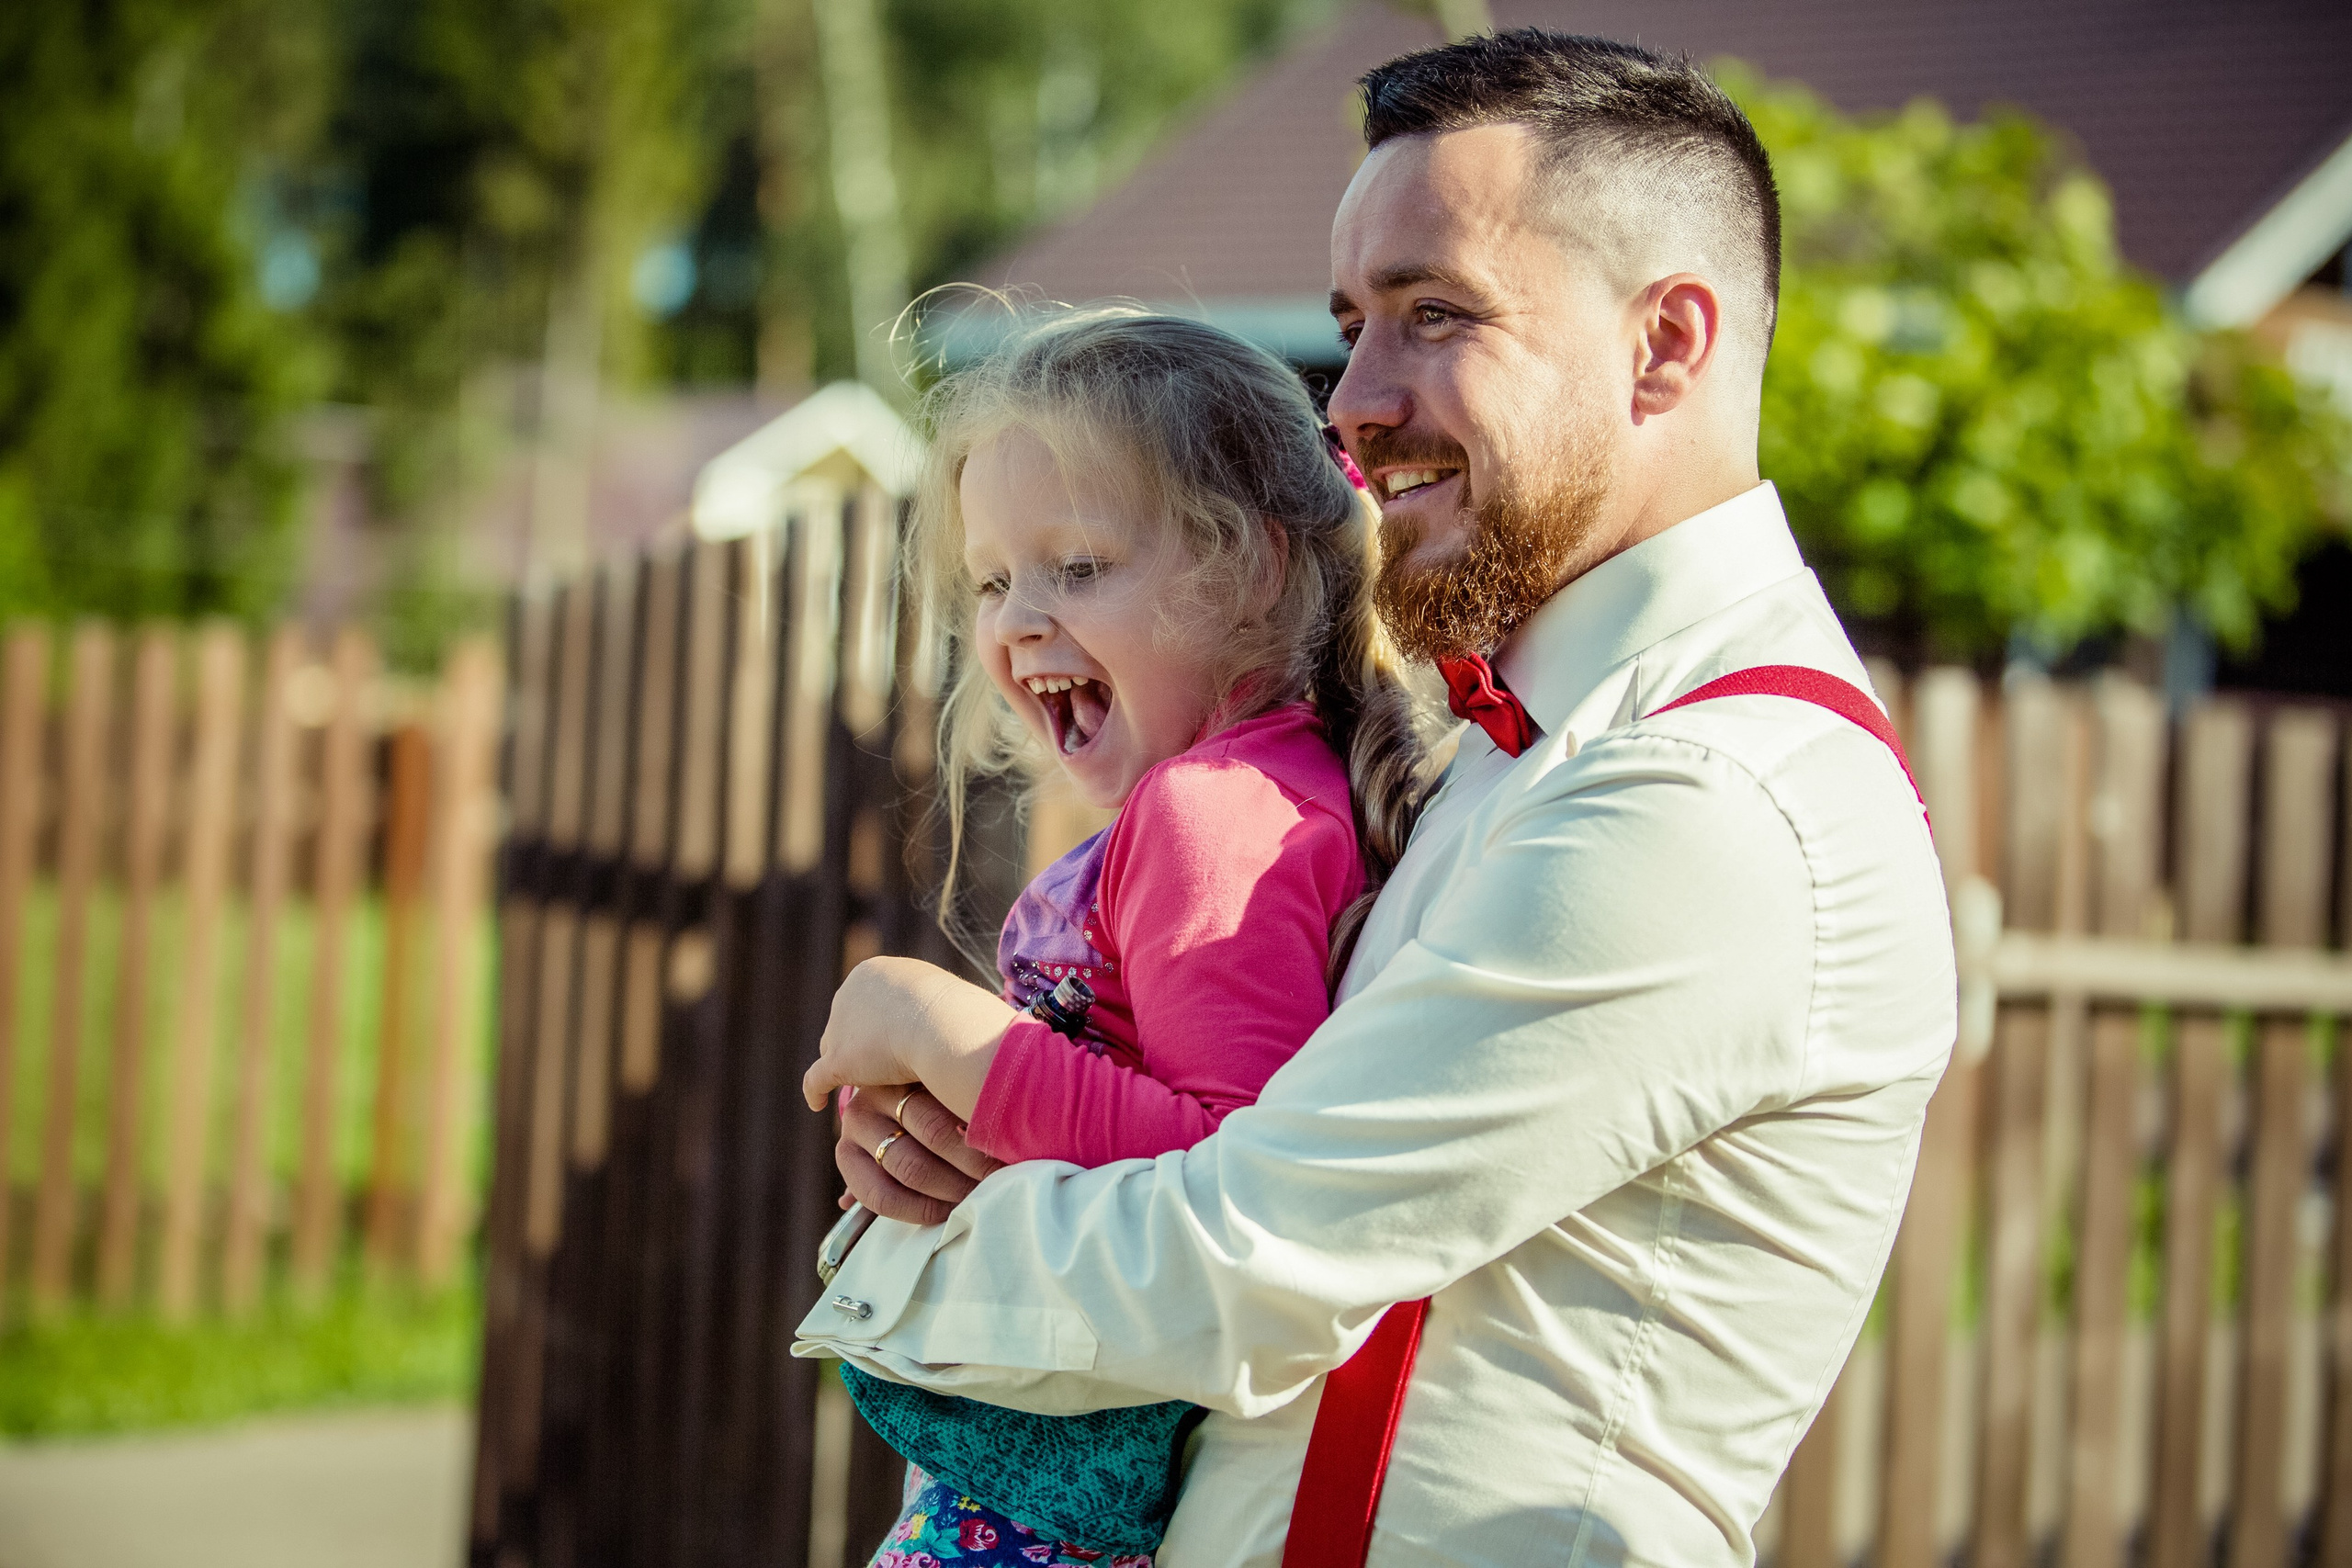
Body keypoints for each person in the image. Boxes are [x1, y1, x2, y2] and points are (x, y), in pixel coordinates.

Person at [798, 30, 1955, 1568]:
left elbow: (1243, 1258)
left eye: (1433, 316)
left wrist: (898, 1256)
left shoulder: (1707, 796)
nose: (1350, 403)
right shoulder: (1515, 747)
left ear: (1666, 343)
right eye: (1352, 327)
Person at [804, 307, 1430, 1567]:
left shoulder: (1214, 815)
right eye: (994, 580)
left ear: (1249, 569)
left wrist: (941, 1030)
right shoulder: (1250, 791)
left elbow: (1223, 1161)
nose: (1019, 621)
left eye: (1079, 567)